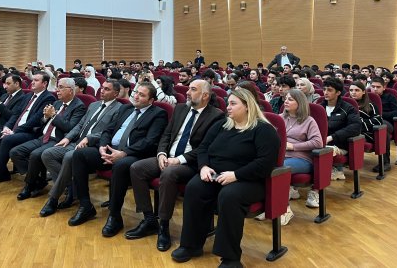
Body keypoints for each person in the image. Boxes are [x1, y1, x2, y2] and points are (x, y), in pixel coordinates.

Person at [170, 88, 279, 266]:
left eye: (233, 104)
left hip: (249, 179)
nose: (227, 107)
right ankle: (191, 245)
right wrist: (204, 167)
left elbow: (265, 164)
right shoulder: (222, 124)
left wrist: (236, 175)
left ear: (247, 106)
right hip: (216, 174)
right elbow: (203, 148)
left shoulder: (264, 130)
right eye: (228, 103)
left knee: (229, 196)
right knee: (195, 187)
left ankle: (230, 258)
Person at [126, 80, 224, 251]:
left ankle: (163, 225)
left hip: (191, 163)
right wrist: (162, 153)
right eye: (188, 89)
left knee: (169, 174)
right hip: (167, 156)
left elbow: (205, 148)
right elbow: (167, 134)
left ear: (205, 95)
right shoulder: (180, 108)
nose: (187, 92)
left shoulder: (216, 115)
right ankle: (149, 218)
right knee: (137, 168)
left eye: (193, 90)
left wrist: (179, 160)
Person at [68, 82, 168, 237]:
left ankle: (114, 216)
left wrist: (123, 153)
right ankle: (85, 205)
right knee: (79, 155)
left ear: (151, 100)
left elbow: (150, 142)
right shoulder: (126, 108)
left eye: (142, 95)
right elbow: (108, 130)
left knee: (121, 165)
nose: (136, 96)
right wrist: (102, 146)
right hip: (110, 150)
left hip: (133, 155)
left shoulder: (158, 114)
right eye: (136, 92)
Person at [38, 80, 123, 217]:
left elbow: (110, 131)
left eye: (107, 89)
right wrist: (68, 138)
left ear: (116, 93)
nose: (102, 90)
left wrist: (89, 138)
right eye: (102, 88)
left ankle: (53, 199)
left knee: (68, 157)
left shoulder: (119, 109)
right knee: (47, 154)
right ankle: (72, 188)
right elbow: (80, 125)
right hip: (76, 142)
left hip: (93, 147)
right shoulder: (94, 105)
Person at [0, 72, 55, 197]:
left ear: (44, 84)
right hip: (16, 129)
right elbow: (15, 115)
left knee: (6, 140)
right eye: (32, 80)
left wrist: (14, 131)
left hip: (31, 132)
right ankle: (3, 173)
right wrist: (7, 127)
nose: (32, 82)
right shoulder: (28, 96)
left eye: (36, 80)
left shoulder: (48, 98)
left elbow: (36, 120)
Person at [10, 78, 86, 201]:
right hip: (43, 137)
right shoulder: (57, 103)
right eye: (57, 87)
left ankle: (29, 185)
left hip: (58, 140)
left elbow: (70, 127)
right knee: (15, 152)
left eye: (61, 87)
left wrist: (54, 115)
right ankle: (39, 180)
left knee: (35, 155)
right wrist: (45, 117)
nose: (57, 90)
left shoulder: (79, 106)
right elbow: (42, 122)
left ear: (71, 90)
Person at [257, 89, 322, 225]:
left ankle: (285, 210)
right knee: (264, 167)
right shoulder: (280, 118)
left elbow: (318, 142)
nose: (285, 101)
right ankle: (269, 206)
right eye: (286, 98)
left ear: (300, 103)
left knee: (280, 170)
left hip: (302, 158)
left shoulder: (309, 121)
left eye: (290, 99)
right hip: (280, 156)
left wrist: (293, 146)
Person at [320, 78, 361, 181]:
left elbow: (355, 127)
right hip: (319, 142)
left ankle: (318, 185)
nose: (325, 92)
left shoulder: (348, 108)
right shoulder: (319, 107)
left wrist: (332, 137)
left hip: (340, 145)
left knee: (320, 151)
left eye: (329, 90)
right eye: (324, 89)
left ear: (338, 92)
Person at [348, 81, 392, 171]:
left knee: (383, 131)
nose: (353, 92)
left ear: (363, 91)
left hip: (366, 132)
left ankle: (385, 162)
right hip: (349, 131)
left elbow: (377, 120)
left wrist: (359, 122)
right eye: (351, 90)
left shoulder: (371, 105)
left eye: (357, 90)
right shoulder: (345, 104)